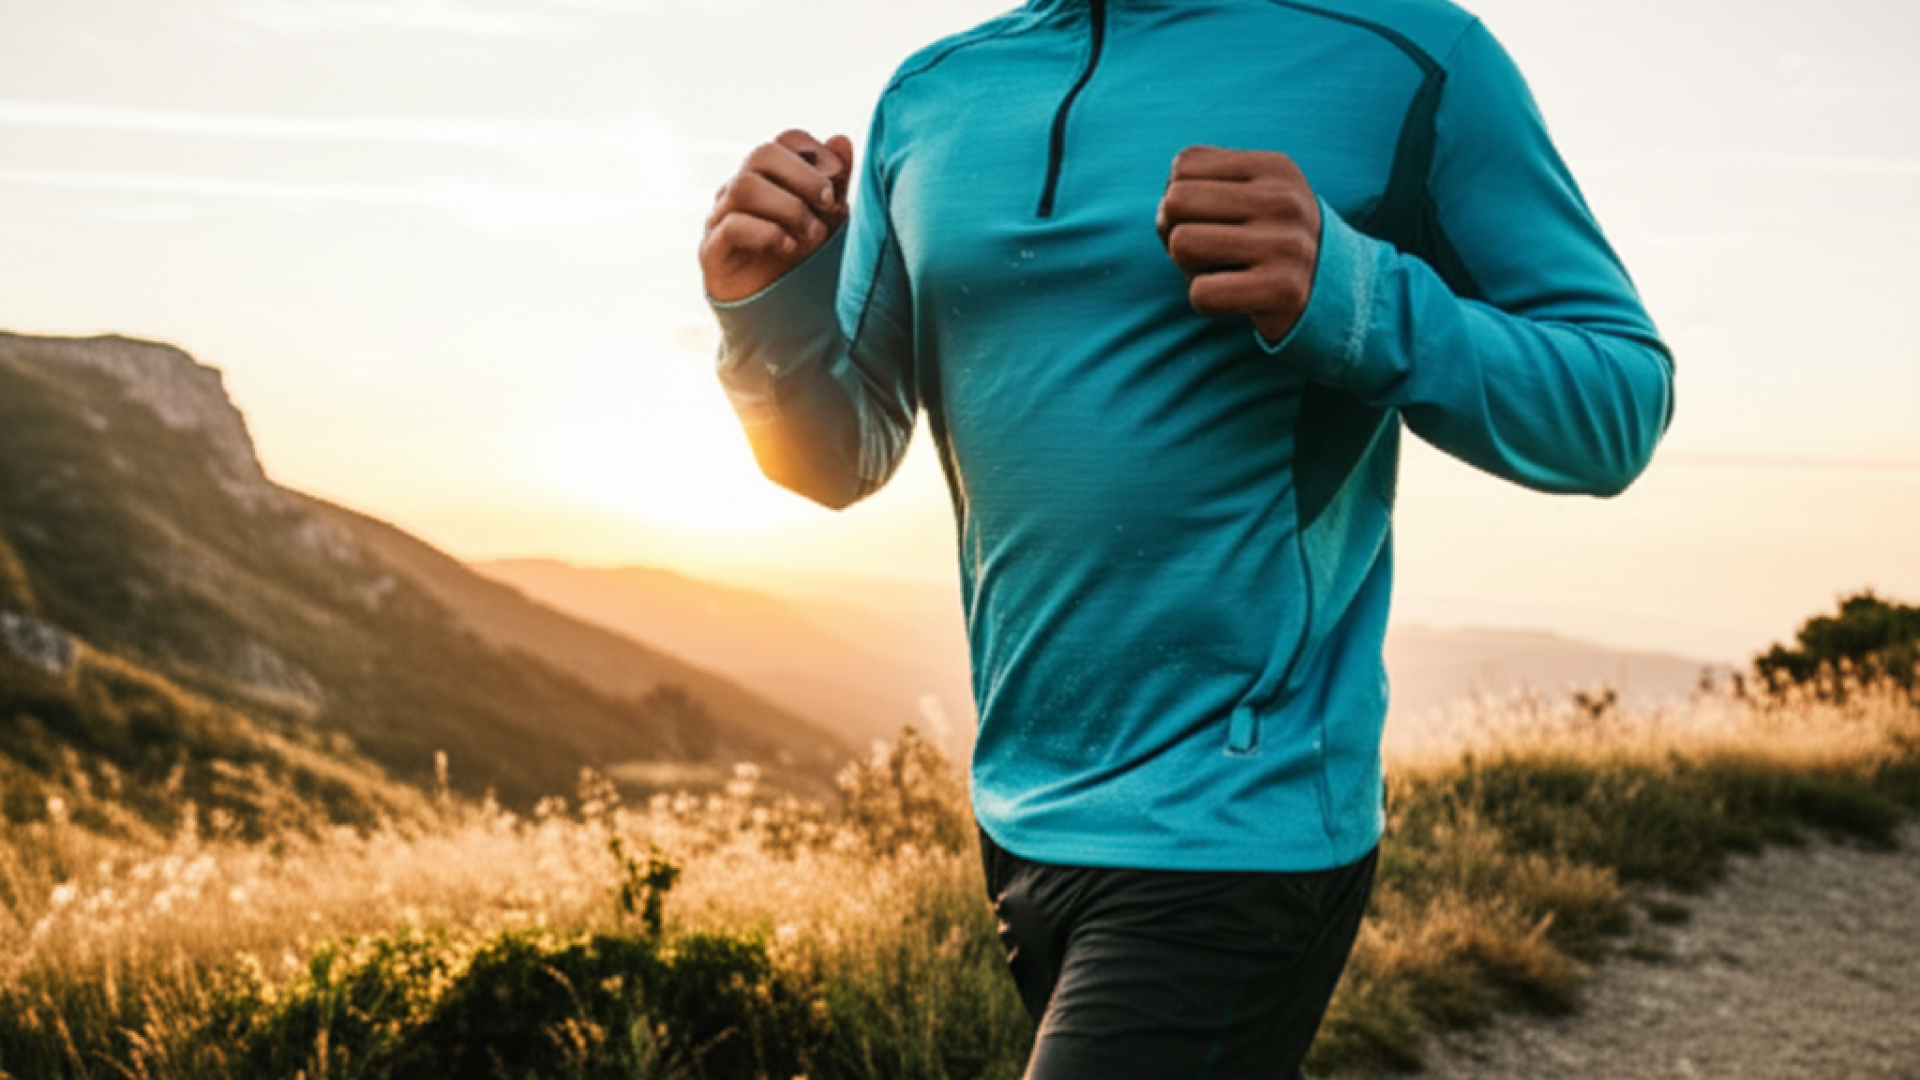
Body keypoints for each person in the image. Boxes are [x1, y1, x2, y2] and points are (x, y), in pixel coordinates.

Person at [698, 0, 1674, 1075]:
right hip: (1024, 811)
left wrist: (1352, 292)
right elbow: (840, 455)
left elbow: (1616, 404)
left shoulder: (1412, 57)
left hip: (1240, 812)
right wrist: (765, 308)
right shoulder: (928, 97)